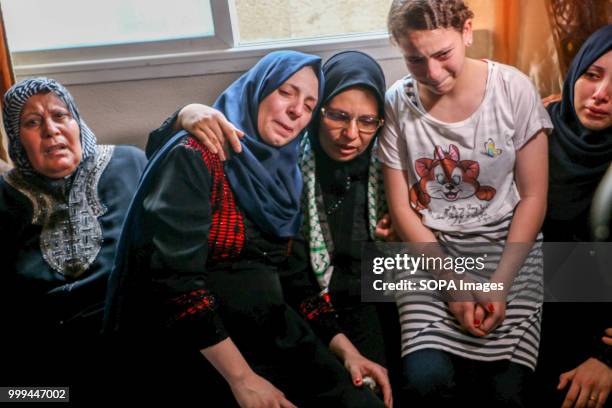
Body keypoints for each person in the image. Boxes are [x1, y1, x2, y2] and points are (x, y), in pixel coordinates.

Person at [104, 51, 390, 407]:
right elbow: (176, 283)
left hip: (277, 327)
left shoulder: (289, 172)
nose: (296, 110)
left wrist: (347, 351)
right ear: (259, 88)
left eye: (309, 104)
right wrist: (242, 379)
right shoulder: (200, 152)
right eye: (286, 92)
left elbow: (296, 276)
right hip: (203, 344)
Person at [379, 0, 552, 406]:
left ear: (467, 31)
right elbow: (403, 209)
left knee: (507, 391)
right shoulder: (397, 102)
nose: (433, 73)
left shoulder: (513, 88)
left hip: (510, 251)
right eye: (415, 60)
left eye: (443, 55)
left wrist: (500, 284)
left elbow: (533, 196)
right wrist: (452, 286)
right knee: (427, 382)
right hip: (429, 256)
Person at [0, 78, 146, 392]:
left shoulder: (128, 163)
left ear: (76, 121)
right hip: (46, 353)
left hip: (130, 338)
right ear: (17, 139)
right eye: (32, 122)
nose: (50, 130)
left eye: (60, 116)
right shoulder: (5, 195)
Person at [539, 24, 612, 408]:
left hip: (595, 337)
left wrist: (607, 361)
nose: (600, 95)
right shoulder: (537, 129)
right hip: (525, 315)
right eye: (592, 75)